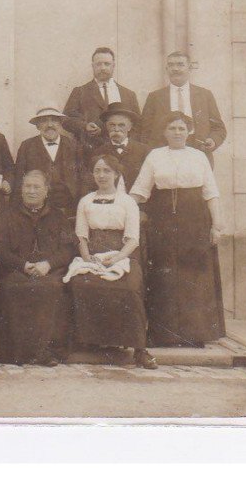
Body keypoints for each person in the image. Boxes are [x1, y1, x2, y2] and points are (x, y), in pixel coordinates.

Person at [130, 111, 225, 347]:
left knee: (193, 274)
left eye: (182, 128)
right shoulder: (154, 156)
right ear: (164, 132)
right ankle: (164, 334)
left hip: (194, 220)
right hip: (161, 220)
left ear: (189, 131)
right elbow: (140, 191)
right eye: (172, 128)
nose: (177, 133)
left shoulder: (199, 156)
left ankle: (194, 335)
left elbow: (211, 192)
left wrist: (217, 225)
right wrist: (125, 209)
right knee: (165, 275)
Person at [65, 155, 157, 369]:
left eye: (107, 171)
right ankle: (91, 342)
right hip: (93, 253)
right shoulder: (86, 200)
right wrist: (87, 257)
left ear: (116, 174)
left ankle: (138, 349)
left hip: (123, 254)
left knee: (130, 288)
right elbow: (81, 235)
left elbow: (133, 239)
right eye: (97, 170)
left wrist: (116, 258)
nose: (102, 175)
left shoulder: (127, 202)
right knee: (80, 284)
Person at [0, 170, 76, 366]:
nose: (31, 191)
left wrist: (48, 264)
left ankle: (47, 352)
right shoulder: (9, 215)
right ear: (21, 190)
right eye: (27, 186)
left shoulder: (57, 216)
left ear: (46, 191)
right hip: (17, 271)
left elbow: (67, 249)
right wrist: (22, 265)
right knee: (13, 288)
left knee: (52, 289)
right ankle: (16, 353)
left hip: (49, 271)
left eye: (36, 187)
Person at [140, 51, 227, 166]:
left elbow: (219, 128)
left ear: (190, 68)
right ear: (166, 69)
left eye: (180, 64)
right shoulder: (155, 97)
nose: (175, 68)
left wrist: (212, 140)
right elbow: (144, 131)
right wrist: (153, 154)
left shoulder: (204, 95)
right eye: (171, 65)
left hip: (198, 154)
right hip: (164, 156)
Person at [12, 106, 83, 217]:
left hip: (69, 206)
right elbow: (19, 179)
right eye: (44, 121)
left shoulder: (73, 145)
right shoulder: (27, 146)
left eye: (54, 120)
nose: (50, 125)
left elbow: (82, 176)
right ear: (38, 126)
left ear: (60, 124)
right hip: (38, 207)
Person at [91, 103, 150, 192]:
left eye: (121, 125)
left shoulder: (144, 151)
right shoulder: (98, 152)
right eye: (112, 125)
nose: (116, 129)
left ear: (129, 127)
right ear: (106, 126)